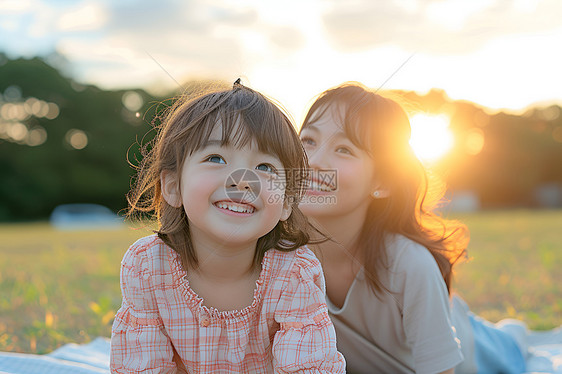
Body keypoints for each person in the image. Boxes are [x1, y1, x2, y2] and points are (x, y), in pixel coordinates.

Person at [110, 81, 346, 373]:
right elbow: (143, 366)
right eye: (215, 158)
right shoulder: (147, 266)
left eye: (265, 167)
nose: (242, 180)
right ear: (172, 186)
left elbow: (307, 368)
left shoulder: (294, 272)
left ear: (285, 202)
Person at [298, 82, 527, 374]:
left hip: (475, 353)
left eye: (343, 149)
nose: (314, 162)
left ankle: (512, 333)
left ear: (381, 183)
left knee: (511, 343)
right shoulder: (278, 253)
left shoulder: (409, 265)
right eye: (307, 141)